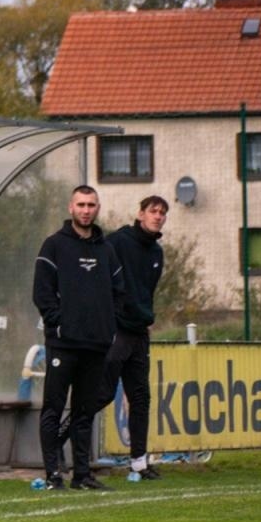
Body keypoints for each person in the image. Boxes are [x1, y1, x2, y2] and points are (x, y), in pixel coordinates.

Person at [32, 185, 125, 491]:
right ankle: (52, 474)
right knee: (53, 408)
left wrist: (107, 327)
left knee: (84, 412)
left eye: (92, 205)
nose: (86, 210)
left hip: (96, 345)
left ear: (98, 208)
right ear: (71, 208)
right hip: (63, 344)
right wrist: (59, 324)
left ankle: (82, 475)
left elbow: (118, 293)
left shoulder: (106, 250)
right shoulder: (54, 246)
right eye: (81, 205)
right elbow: (42, 293)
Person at [104, 195, 169, 479]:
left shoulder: (156, 253)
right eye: (153, 211)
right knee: (100, 394)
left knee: (140, 397)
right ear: (140, 214)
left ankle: (139, 462)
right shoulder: (118, 241)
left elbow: (147, 291)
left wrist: (143, 318)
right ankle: (68, 458)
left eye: (163, 213)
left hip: (139, 333)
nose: (158, 217)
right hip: (116, 330)